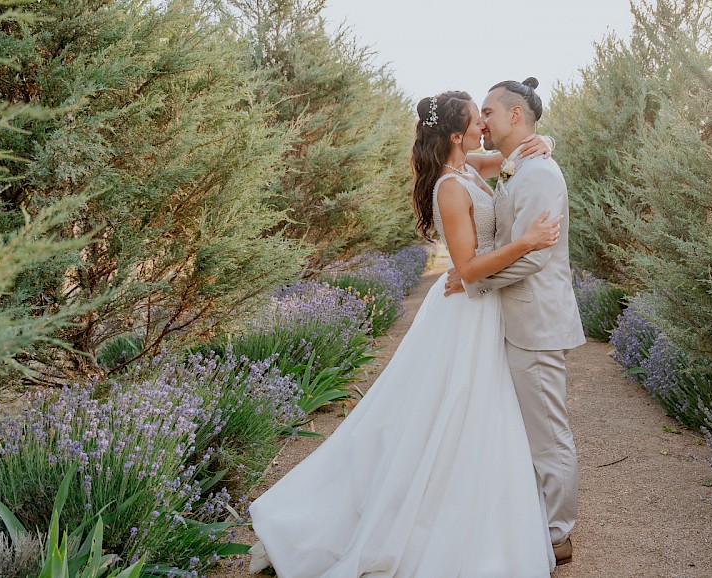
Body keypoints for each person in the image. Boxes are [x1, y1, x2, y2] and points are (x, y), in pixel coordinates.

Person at [247, 89, 563, 577]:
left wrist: (549, 142)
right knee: (447, 410)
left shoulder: (470, 167)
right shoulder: (451, 188)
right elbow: (468, 267)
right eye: (478, 120)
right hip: (465, 310)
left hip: (484, 308)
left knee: (477, 411)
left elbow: (517, 154)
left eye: (486, 117)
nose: (485, 124)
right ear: (458, 135)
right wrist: (526, 241)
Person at [445, 77, 586, 567]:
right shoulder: (516, 166)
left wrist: (472, 281)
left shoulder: (540, 173)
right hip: (515, 320)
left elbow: (533, 259)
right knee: (527, 429)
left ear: (515, 117)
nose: (481, 120)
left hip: (537, 322)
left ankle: (556, 536)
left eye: (488, 111)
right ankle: (535, 520)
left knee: (548, 433)